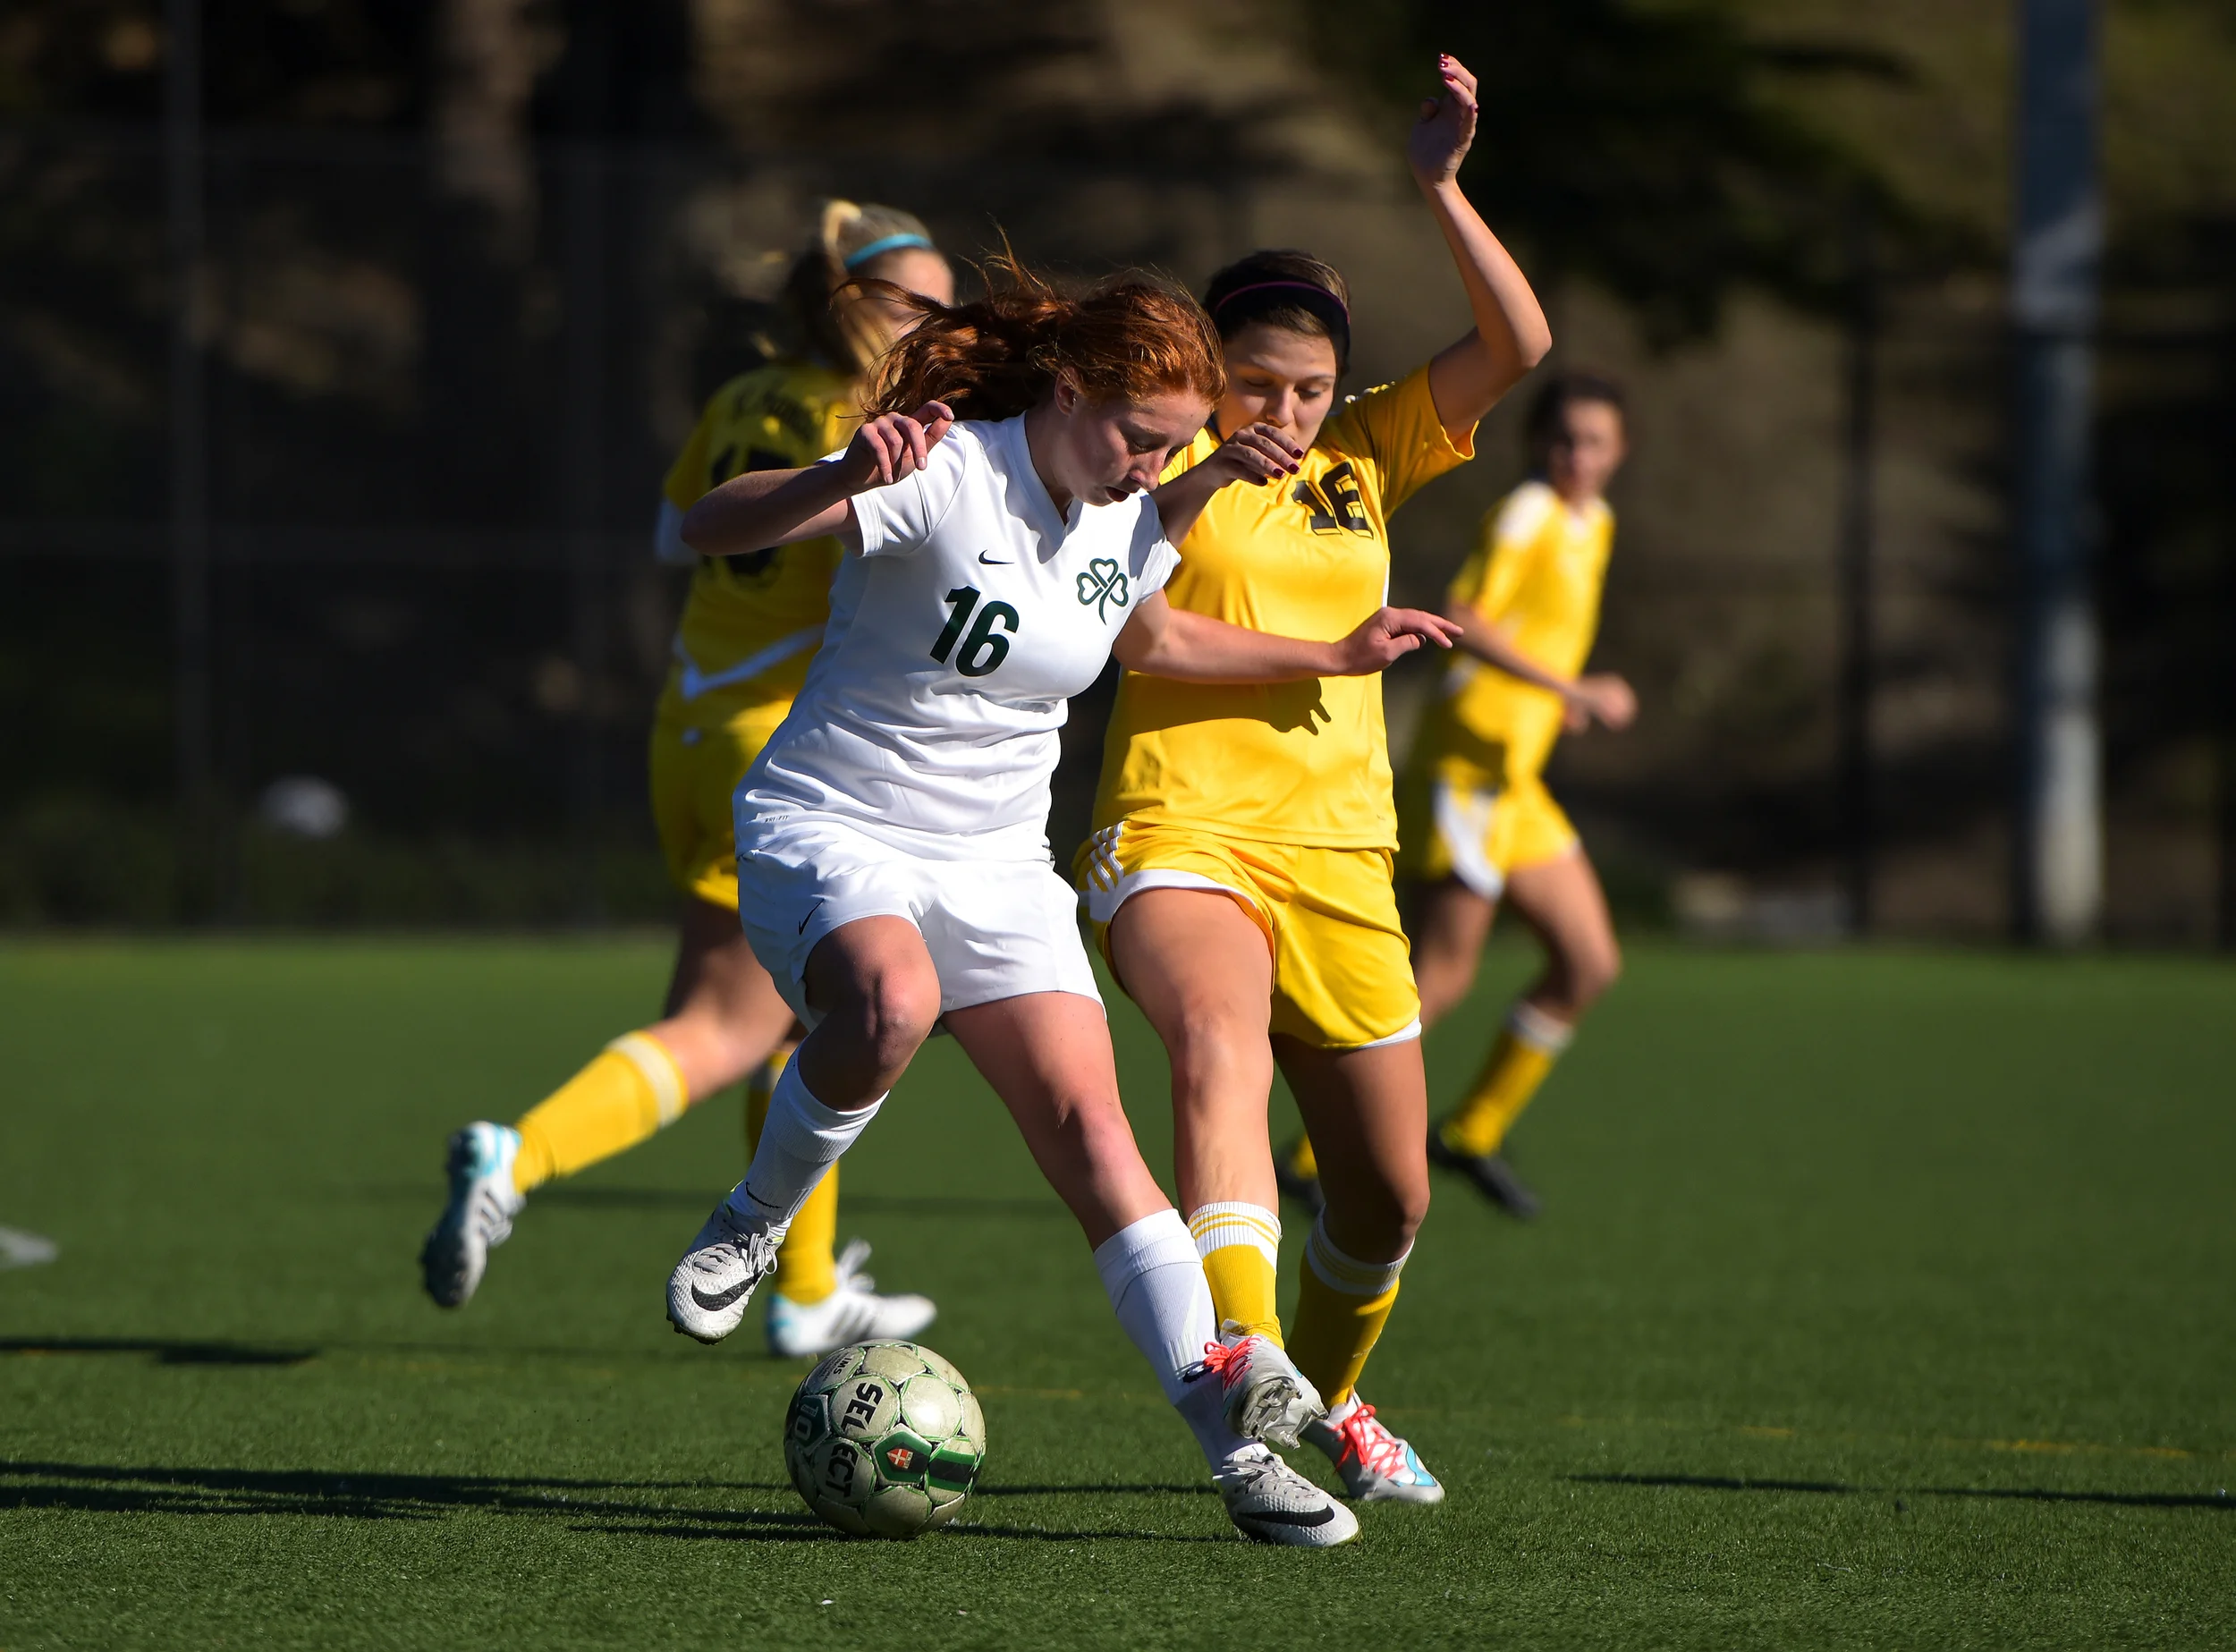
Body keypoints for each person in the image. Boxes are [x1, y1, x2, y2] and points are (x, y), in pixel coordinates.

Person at [662, 260, 1458, 1546]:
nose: (1155, 467)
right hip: (834, 823)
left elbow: (1154, 630)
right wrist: (836, 478)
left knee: (1101, 1143)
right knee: (892, 1001)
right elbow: (714, 527)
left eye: (1173, 448)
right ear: (1074, 390)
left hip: (995, 865)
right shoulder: (949, 469)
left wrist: (1329, 650)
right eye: (1141, 438)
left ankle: (1241, 1459)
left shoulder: (1132, 510)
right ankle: (756, 1216)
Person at [1075, 55, 1550, 1506]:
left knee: (1390, 1199)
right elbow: (1140, 633)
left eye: (1311, 383)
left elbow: (1519, 342)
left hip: (1342, 854)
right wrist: (1333, 650)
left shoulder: (1364, 455)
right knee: (1216, 1040)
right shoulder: (1157, 466)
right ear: (1205, 375)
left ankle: (1330, 1398)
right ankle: (1245, 1353)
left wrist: (1439, 187)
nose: (1285, 406)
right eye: (1256, 381)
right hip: (1176, 824)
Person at [419, 202, 952, 1358]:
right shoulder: (884, 424)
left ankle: (804, 1289)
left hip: (691, 725)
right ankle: (522, 1156)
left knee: (800, 1024)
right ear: (859, 305)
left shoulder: (740, 402)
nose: (948, 327)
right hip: (788, 754)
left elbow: (680, 536)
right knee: (723, 1023)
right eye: (926, 305)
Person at [1395, 369, 1634, 1216]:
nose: (1576, 456)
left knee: (1588, 962)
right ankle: (1319, 1153)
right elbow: (1468, 613)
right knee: (1443, 974)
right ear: (1540, 445)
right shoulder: (1529, 512)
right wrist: (1566, 688)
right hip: (1467, 769)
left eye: (1594, 441)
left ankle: (1472, 1131)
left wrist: (1554, 696)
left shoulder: (1592, 522)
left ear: (1620, 451)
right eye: (1563, 439)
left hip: (1514, 778)